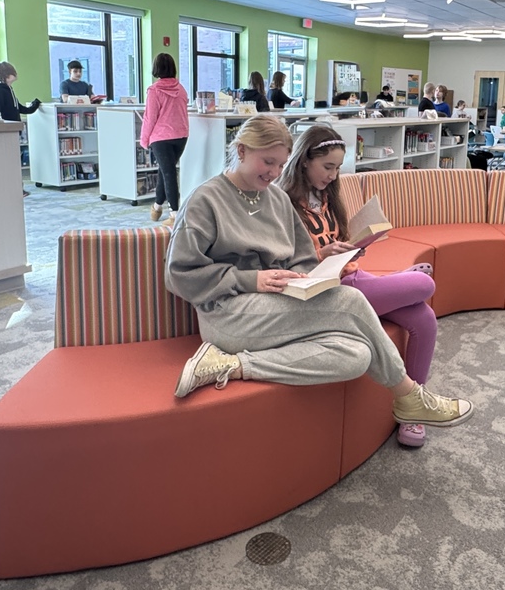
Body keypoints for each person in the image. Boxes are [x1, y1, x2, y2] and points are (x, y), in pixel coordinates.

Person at [165, 115, 474, 435]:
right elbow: (178, 274)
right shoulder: (205, 199)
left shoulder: (276, 200)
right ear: (241, 151)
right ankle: (410, 397)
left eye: (280, 164)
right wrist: (249, 280)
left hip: (277, 306)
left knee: (357, 355)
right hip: (229, 314)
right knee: (351, 300)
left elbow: (300, 260)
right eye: (267, 161)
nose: (273, 173)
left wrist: (318, 274)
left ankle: (232, 365)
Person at [279, 124, 440, 447]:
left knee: (425, 319)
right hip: (334, 291)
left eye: (338, 168)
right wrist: (321, 253)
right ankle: (398, 280)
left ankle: (413, 411)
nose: (333, 175)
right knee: (423, 283)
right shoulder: (282, 204)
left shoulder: (327, 197)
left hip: (353, 274)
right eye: (328, 167)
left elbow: (337, 241)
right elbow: (282, 262)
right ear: (304, 161)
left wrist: (353, 246)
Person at [140, 53, 190, 226]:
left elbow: (149, 118)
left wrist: (144, 140)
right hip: (181, 136)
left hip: (161, 138)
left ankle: (175, 214)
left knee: (168, 173)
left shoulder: (154, 91)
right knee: (165, 170)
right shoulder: (181, 88)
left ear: (156, 68)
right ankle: (157, 206)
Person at [0, 61, 41, 197]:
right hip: (5, 131)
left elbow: (18, 108)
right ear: (7, 75)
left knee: (14, 160)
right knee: (9, 161)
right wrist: (3, 126)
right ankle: (12, 188)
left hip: (13, 130)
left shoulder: (8, 90)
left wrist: (34, 106)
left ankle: (17, 188)